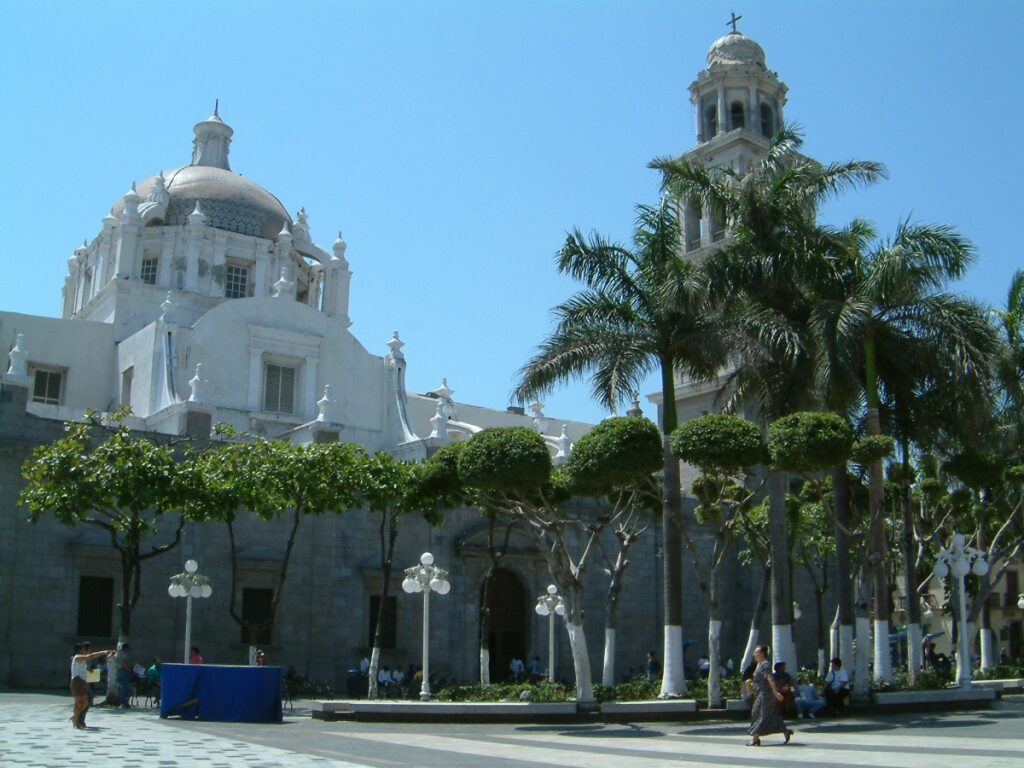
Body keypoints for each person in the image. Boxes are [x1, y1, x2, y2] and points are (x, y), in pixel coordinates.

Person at [746, 645, 792, 747]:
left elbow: (770, 679)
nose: (754, 654)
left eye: (756, 652)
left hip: (765, 694)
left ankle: (755, 738)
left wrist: (775, 693)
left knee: (760, 715)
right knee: (772, 715)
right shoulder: (759, 664)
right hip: (759, 693)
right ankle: (785, 731)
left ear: (762, 654)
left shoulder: (765, 665)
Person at [70, 641, 114, 729]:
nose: (85, 650)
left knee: (85, 701)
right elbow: (90, 656)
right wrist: (103, 652)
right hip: (77, 681)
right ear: (80, 650)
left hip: (82, 682)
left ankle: (76, 717)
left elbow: (86, 661)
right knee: (80, 701)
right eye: (83, 649)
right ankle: (76, 719)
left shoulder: (81, 658)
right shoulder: (77, 657)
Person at [115, 642, 134, 708]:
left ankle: (122, 702)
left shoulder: (117, 654)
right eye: (129, 648)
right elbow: (124, 663)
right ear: (126, 648)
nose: (130, 649)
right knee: (125, 687)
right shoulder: (124, 654)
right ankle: (124, 702)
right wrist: (129, 669)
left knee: (121, 688)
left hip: (118, 672)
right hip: (123, 672)